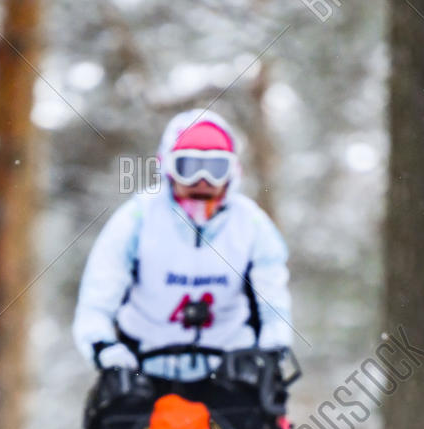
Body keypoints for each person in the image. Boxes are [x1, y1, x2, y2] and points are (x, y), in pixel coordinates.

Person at [72, 109, 293, 386]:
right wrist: (103, 347)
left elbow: (274, 303)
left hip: (231, 372)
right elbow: (97, 298)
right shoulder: (137, 219)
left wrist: (273, 348)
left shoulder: (252, 225)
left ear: (233, 172)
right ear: (166, 168)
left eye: (215, 168)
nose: (202, 181)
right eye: (188, 167)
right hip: (143, 370)